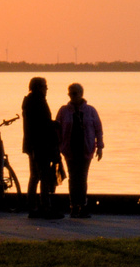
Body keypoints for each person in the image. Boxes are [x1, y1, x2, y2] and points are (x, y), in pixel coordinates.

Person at [56, 82, 104, 218]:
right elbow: (57, 129)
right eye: (70, 93)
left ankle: (82, 205)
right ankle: (73, 206)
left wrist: (99, 147)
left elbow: (98, 130)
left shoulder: (90, 110)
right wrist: (59, 146)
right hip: (69, 150)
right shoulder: (64, 110)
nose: (72, 96)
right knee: (73, 178)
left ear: (81, 94)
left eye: (74, 93)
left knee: (82, 178)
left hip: (86, 149)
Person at [20, 77, 63, 218]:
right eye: (45, 86)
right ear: (38, 87)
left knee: (34, 176)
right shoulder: (37, 101)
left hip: (32, 144)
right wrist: (55, 124)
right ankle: (45, 208)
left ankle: (33, 207)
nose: (47, 89)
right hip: (40, 144)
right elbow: (41, 124)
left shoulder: (29, 101)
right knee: (43, 176)